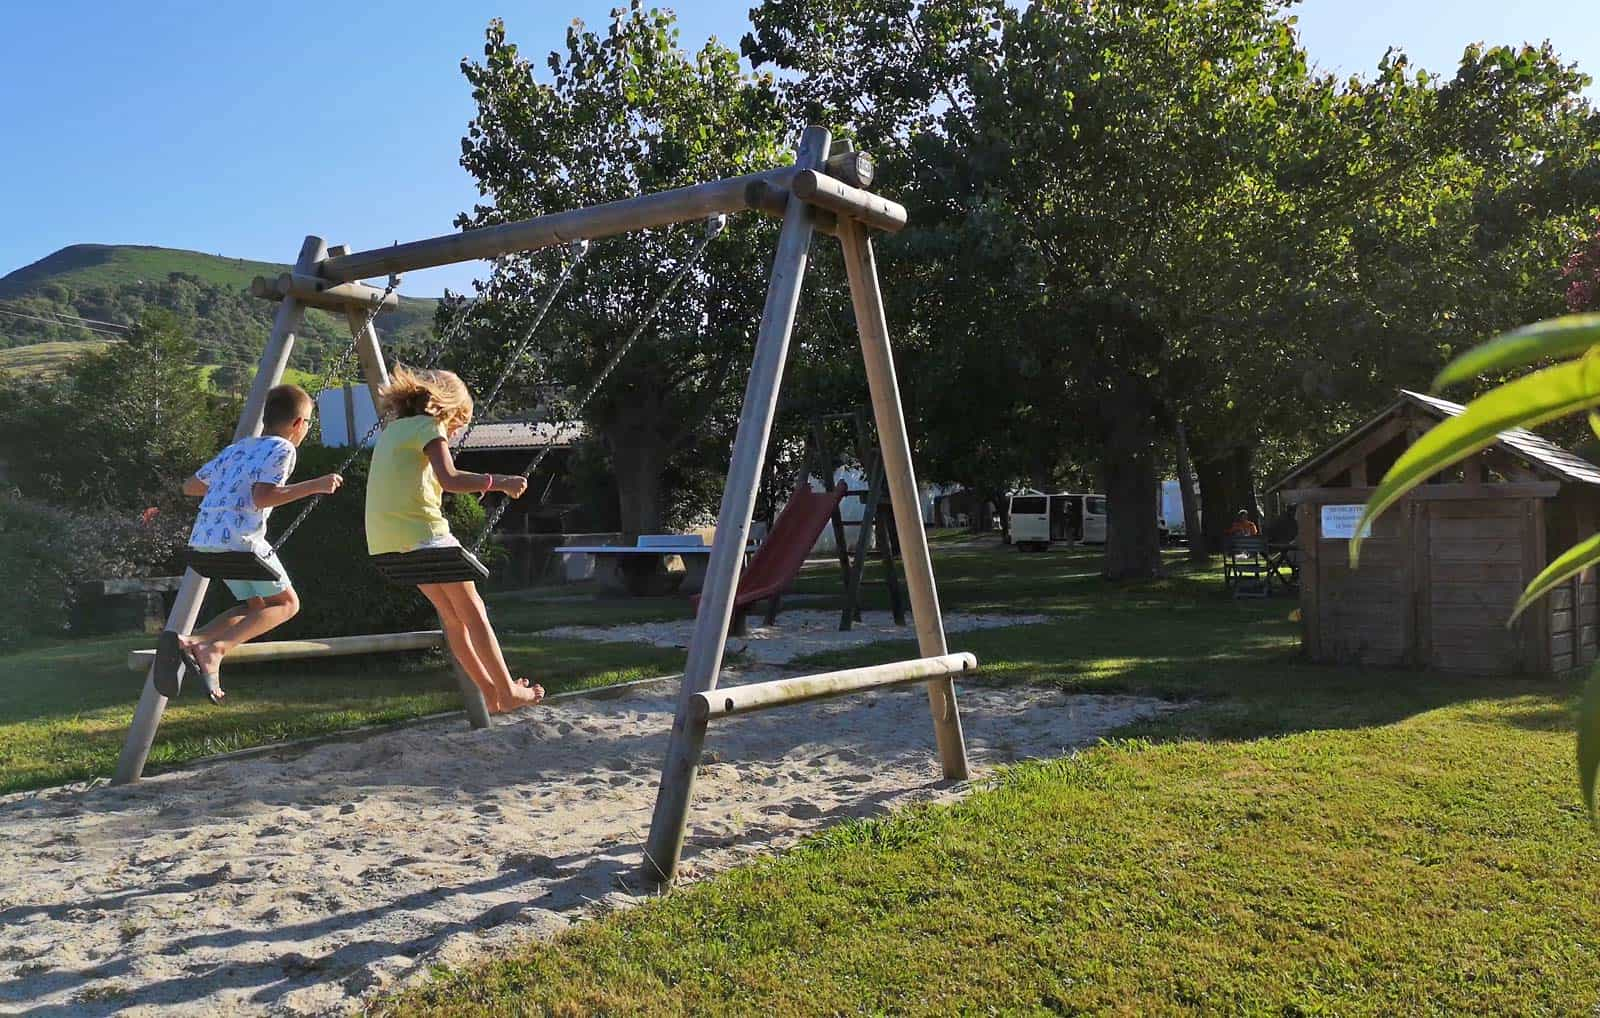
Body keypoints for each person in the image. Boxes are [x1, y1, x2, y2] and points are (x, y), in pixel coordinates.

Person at [366, 365, 544, 713]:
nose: (455, 431)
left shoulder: (391, 432)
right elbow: (450, 478)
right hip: (423, 535)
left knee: (452, 618)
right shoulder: (429, 427)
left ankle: (491, 694)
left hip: (386, 542)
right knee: (474, 612)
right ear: (449, 410)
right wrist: (500, 482)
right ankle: (507, 690)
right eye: (459, 422)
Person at [157, 384, 344, 704]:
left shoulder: (237, 449)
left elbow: (191, 487)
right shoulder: (284, 449)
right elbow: (263, 497)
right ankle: (215, 651)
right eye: (308, 424)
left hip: (204, 542)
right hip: (241, 542)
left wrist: (229, 485)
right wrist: (316, 485)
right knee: (287, 605)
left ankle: (191, 641)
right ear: (299, 424)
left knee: (255, 607)